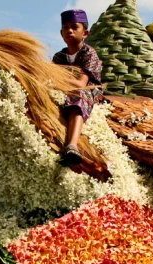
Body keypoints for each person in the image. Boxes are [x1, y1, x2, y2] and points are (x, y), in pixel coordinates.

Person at [52, 9, 103, 167]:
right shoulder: (59, 57)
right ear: (61, 33)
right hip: (64, 90)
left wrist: (57, 81)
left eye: (75, 27)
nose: (70, 31)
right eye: (66, 28)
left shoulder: (89, 53)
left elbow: (82, 83)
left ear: (85, 33)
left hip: (88, 91)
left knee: (78, 96)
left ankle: (72, 146)